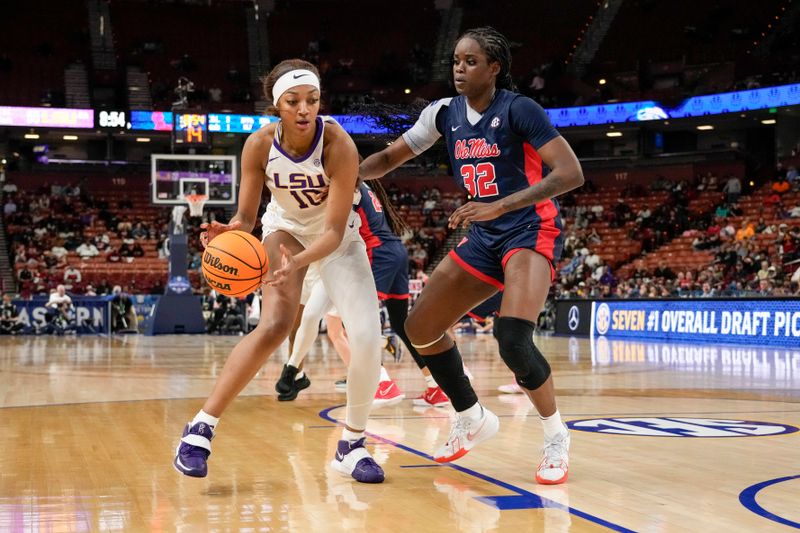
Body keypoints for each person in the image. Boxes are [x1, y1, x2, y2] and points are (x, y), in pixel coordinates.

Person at [359, 27, 584, 485]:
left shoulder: (520, 109)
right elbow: (386, 160)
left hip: (529, 228)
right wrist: (338, 181)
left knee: (512, 339)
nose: (459, 69)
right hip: (483, 236)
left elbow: (571, 172)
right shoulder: (444, 114)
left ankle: (555, 435)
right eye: (456, 62)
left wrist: (500, 205)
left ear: (494, 68)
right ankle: (471, 414)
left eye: (471, 62)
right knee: (419, 328)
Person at [173, 59, 384, 484]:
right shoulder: (258, 145)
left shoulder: (339, 146)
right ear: (278, 106)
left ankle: (352, 445)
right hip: (285, 230)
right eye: (294, 102)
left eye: (313, 100)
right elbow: (247, 216)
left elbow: (331, 229)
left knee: (367, 338)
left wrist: (300, 265)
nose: (305, 109)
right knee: (273, 326)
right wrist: (228, 231)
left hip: (337, 239)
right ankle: (199, 429)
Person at [275, 181, 450, 408]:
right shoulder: (364, 185)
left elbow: (331, 231)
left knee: (346, 322)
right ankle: (435, 386)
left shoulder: (344, 186)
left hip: (374, 252)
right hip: (395, 251)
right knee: (402, 325)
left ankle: (383, 382)